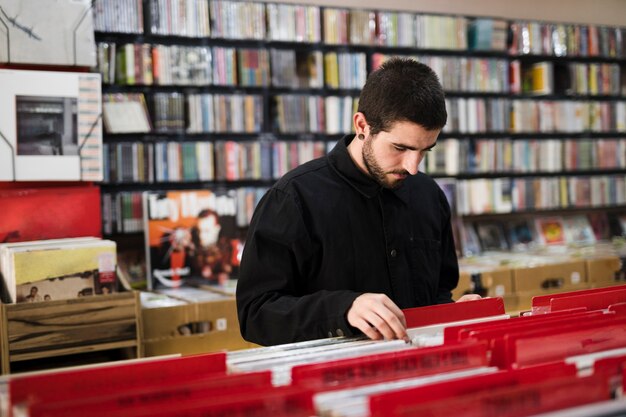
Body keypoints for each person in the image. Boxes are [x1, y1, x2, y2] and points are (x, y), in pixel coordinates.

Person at [236, 57, 480, 347]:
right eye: (400, 148)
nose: (413, 166)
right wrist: (343, 310)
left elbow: (438, 292)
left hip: (419, 372)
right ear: (362, 125)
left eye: (425, 150)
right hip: (331, 383)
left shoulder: (429, 195)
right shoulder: (293, 199)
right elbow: (255, 314)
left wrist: (456, 312)